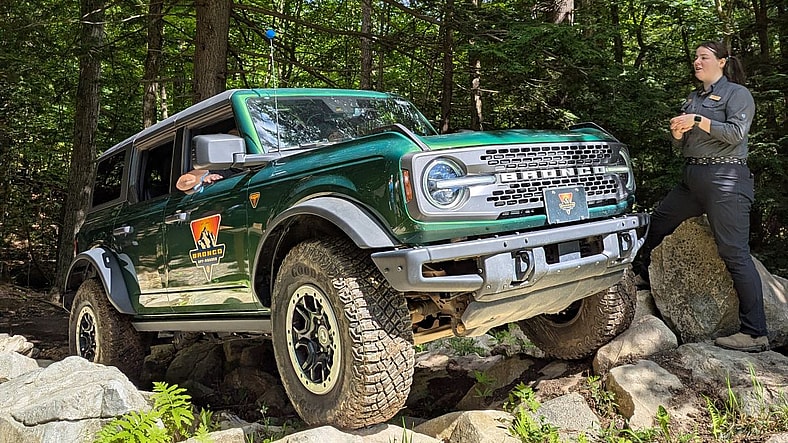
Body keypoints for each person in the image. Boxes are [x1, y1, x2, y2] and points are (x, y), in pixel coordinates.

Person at [634, 41, 769, 352]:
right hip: (692, 179)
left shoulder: (738, 94)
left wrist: (697, 120)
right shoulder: (694, 98)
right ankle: (644, 276)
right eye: (695, 57)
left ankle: (755, 332)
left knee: (734, 252)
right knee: (658, 224)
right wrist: (678, 134)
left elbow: (736, 134)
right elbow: (681, 146)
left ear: (721, 62)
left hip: (727, 179)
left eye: (704, 57)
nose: (697, 61)